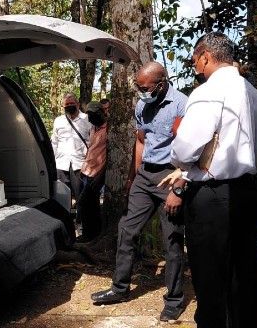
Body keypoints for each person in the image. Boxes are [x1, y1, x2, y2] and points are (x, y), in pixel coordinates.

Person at [162, 32, 257, 327]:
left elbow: (185, 149)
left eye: (196, 60)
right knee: (245, 273)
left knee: (210, 277)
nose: (195, 67)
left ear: (206, 57)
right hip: (250, 192)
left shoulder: (208, 91)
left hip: (214, 197)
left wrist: (182, 162)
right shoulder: (254, 93)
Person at [90, 61, 187, 323]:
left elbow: (191, 151)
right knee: (126, 230)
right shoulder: (142, 104)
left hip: (171, 175)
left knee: (172, 241)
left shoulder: (182, 105)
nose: (141, 92)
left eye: (145, 87)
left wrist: (178, 188)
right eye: (138, 87)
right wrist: (134, 177)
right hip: (146, 174)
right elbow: (141, 141)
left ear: (162, 83)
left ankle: (174, 300)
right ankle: (119, 288)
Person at [51, 93, 91, 231]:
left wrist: (89, 161)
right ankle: (64, 227)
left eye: (71, 103)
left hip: (80, 164)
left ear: (77, 104)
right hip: (61, 165)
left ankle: (81, 226)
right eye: (66, 104)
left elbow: (92, 142)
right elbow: (54, 143)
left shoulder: (87, 119)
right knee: (62, 197)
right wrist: (52, 162)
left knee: (80, 197)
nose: (69, 106)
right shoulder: (58, 121)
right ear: (62, 105)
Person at [75, 101, 107, 243]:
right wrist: (84, 168)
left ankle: (89, 234)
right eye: (89, 115)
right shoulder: (93, 128)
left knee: (82, 203)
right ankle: (93, 235)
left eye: (93, 115)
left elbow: (111, 156)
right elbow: (92, 149)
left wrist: (101, 176)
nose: (90, 118)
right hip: (88, 171)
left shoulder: (109, 129)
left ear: (101, 113)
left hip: (97, 175)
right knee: (92, 205)